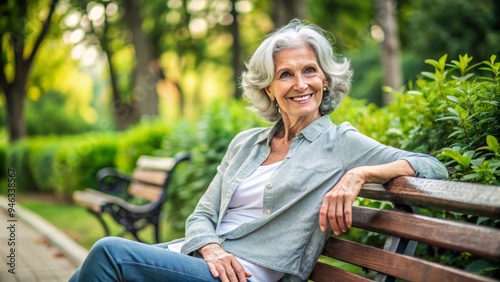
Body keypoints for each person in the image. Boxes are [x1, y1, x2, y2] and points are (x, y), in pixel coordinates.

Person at [69, 19, 448, 282]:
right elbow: (202, 214)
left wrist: (361, 173)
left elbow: (433, 169)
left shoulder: (340, 144)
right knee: (91, 270)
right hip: (205, 261)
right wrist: (211, 248)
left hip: (249, 275)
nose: (301, 84)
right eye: (285, 74)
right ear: (268, 88)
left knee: (109, 255)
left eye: (310, 71)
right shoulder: (246, 144)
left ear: (325, 79)